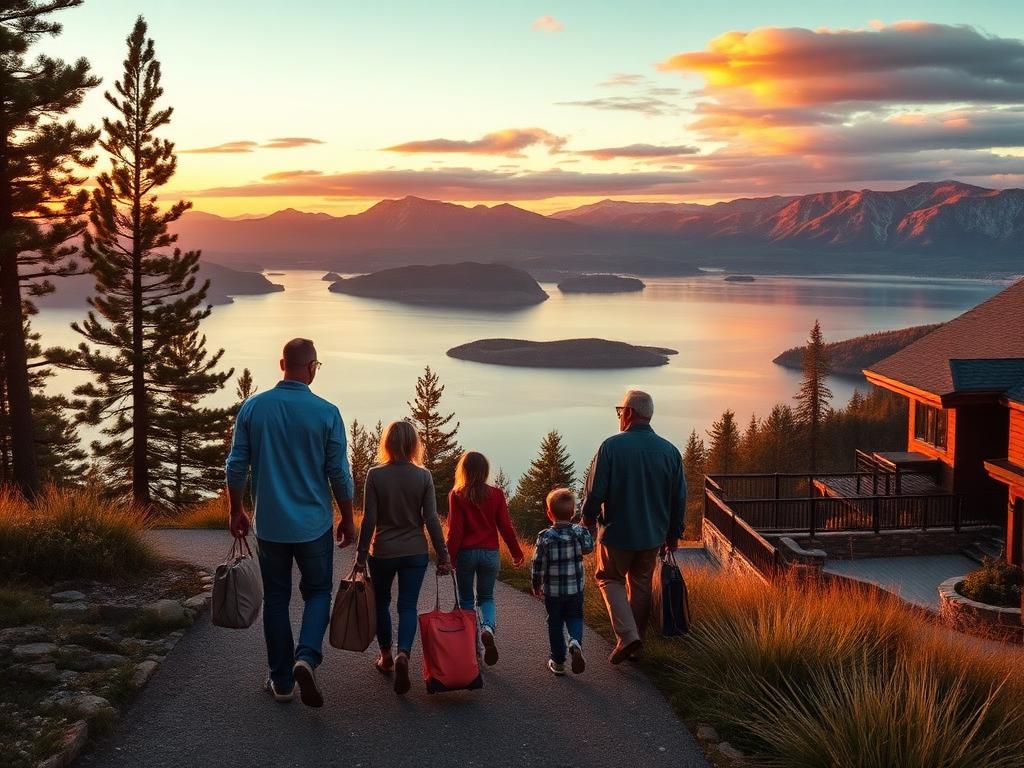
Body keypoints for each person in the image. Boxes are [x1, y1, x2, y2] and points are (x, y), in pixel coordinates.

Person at [225, 338, 355, 708]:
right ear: (312, 368)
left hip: (271, 525)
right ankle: (306, 657)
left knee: (277, 598)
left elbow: (236, 465)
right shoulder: (327, 412)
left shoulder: (254, 407)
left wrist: (236, 510)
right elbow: (339, 473)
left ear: (282, 364)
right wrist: (347, 517)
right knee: (318, 592)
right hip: (314, 525)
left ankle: (281, 681)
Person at [581, 389, 685, 665]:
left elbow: (595, 492)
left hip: (617, 533)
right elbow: (679, 498)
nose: (619, 416)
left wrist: (587, 519)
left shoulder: (611, 447)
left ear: (628, 413)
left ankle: (627, 637)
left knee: (609, 578)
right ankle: (636, 644)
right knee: (640, 584)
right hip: (652, 535)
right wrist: (674, 534)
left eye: (620, 411)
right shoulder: (670, 452)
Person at [354, 420, 452, 695]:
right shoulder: (424, 476)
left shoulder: (375, 475)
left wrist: (360, 556)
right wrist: (443, 554)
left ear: (387, 443)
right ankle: (403, 654)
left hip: (383, 551)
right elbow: (431, 518)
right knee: (407, 606)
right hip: (415, 552)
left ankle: (386, 656)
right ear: (413, 444)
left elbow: (369, 519)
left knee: (381, 603)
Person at [446, 451, 525, 667]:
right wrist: (516, 552)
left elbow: (455, 531)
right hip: (490, 553)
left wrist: (449, 558)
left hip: (466, 554)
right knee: (486, 597)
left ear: (463, 470)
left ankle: (473, 650)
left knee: (466, 600)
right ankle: (487, 627)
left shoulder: (457, 494)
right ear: (485, 470)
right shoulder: (497, 494)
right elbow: (505, 527)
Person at [531, 488, 593, 676]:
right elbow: (589, 548)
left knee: (555, 623)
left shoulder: (545, 537)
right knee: (575, 617)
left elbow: (537, 563)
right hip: (575, 589)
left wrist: (536, 583)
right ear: (573, 513)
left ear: (549, 513)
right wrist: (584, 529)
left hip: (553, 592)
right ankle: (574, 642)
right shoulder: (579, 533)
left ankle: (558, 662)